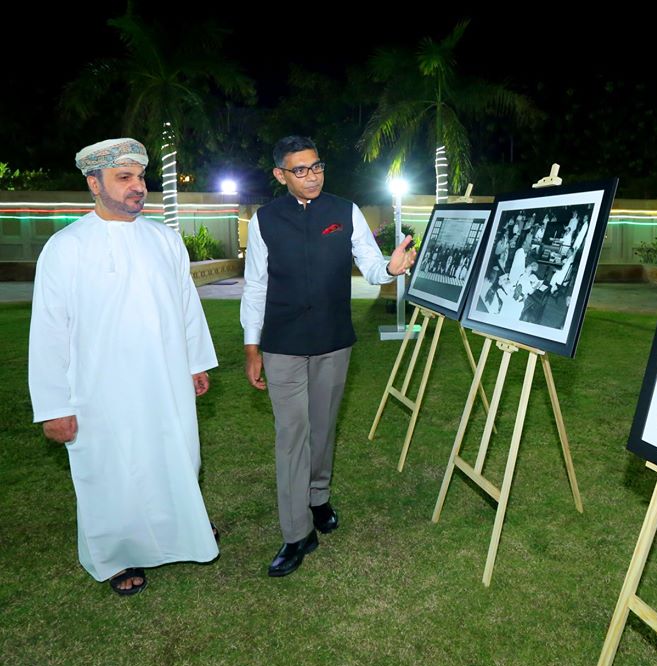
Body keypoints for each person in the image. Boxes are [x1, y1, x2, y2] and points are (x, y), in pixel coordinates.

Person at [29, 138, 219, 596]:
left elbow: (186, 306)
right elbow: (49, 332)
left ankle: (184, 534)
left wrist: (196, 361)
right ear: (95, 184)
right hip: (99, 391)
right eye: (125, 178)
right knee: (110, 472)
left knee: (175, 458)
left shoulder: (164, 238)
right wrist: (54, 406)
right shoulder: (66, 247)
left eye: (141, 177)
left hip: (164, 380)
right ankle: (115, 557)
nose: (139, 187)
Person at [241, 135, 416, 577]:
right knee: (291, 435)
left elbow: (373, 266)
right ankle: (296, 533)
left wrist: (391, 269)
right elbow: (256, 286)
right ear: (281, 175)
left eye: (317, 166)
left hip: (333, 340)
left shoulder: (345, 211)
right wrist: (251, 345)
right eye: (300, 170)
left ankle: (318, 498)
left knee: (322, 428)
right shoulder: (264, 220)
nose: (312, 176)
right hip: (281, 344)